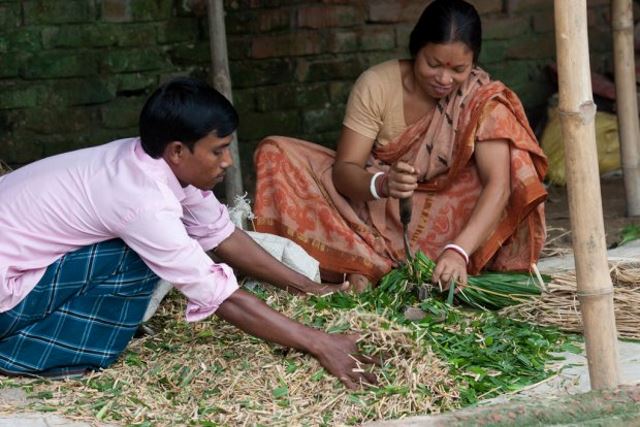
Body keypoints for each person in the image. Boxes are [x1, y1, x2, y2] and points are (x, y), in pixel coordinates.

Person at [0, 77, 377, 389]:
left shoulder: (151, 162)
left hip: (17, 268)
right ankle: (25, 353)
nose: (229, 163)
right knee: (136, 256)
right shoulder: (142, 200)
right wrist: (321, 343)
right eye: (219, 151)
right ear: (178, 151)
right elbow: (218, 295)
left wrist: (310, 289)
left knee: (152, 245)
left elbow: (223, 236)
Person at [253, 0, 548, 291]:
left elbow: (499, 186)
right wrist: (382, 184)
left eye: (459, 69)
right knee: (275, 153)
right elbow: (344, 172)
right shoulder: (377, 85)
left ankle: (379, 267)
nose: (444, 79)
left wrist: (458, 250)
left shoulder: (481, 100)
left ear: (473, 63)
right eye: (433, 64)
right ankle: (365, 261)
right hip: (374, 206)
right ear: (415, 48)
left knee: (506, 166)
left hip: (446, 224)